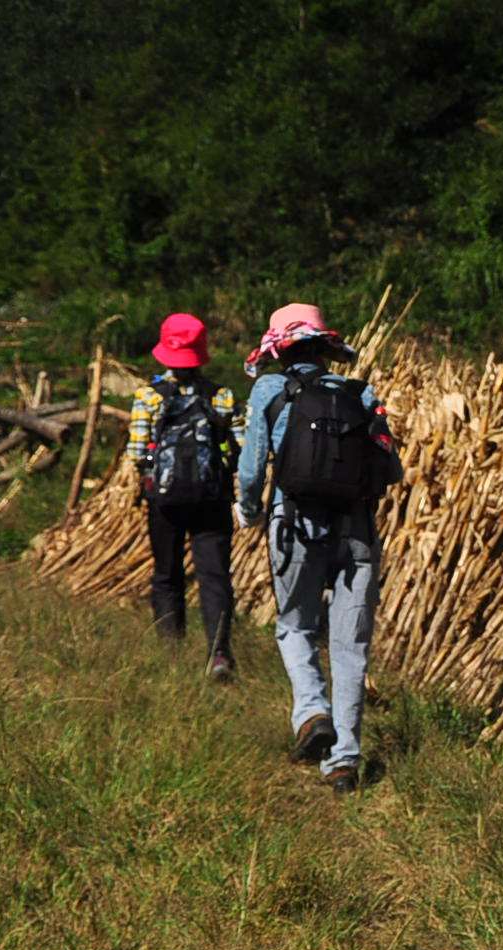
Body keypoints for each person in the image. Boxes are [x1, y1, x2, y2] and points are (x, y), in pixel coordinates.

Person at [236, 303, 398, 794]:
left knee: (294, 627)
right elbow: (393, 471)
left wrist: (249, 509)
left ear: (280, 350)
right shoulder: (361, 393)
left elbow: (250, 470)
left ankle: (312, 713)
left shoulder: (269, 390)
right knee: (351, 648)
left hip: (295, 527)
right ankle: (344, 761)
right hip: (356, 531)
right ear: (326, 348)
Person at [129, 312, 242, 679]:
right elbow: (241, 444)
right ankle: (220, 654)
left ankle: (171, 657)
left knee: (167, 575)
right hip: (213, 500)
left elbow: (136, 454)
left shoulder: (148, 397)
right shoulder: (221, 397)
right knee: (214, 576)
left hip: (165, 502)